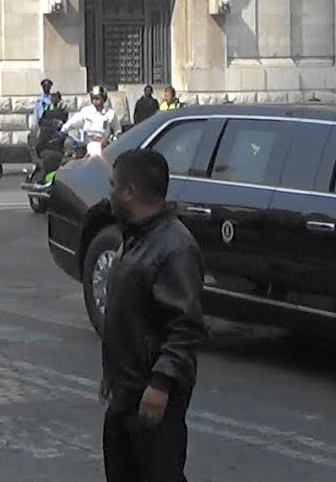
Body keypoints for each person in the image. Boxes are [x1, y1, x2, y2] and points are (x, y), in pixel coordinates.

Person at [100, 148, 209, 481]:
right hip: (126, 389)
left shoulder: (174, 246)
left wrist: (161, 384)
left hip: (151, 396)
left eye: (113, 185)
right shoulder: (135, 237)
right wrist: (112, 374)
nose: (109, 193)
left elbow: (186, 326)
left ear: (130, 192)